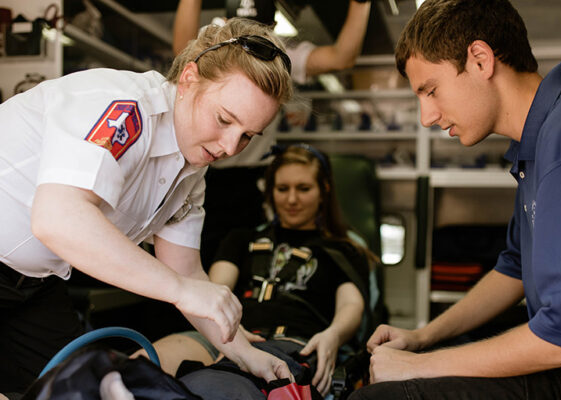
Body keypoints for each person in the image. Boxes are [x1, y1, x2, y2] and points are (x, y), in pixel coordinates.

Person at [0, 18, 295, 396]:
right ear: (189, 79)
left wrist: (243, 353)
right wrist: (178, 290)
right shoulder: (125, 109)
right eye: (224, 120)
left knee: (83, 389)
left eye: (247, 136)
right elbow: (58, 217)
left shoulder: (189, 174)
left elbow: (186, 271)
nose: (229, 147)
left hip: (33, 285)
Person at [349, 0, 561, 399]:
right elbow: (514, 268)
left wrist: (419, 367)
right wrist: (421, 337)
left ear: (480, 60)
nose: (426, 117)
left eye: (430, 90)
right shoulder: (535, 144)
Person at [133, 144, 373, 397]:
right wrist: (227, 328)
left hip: (290, 342)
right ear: (270, 192)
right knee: (139, 369)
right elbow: (216, 287)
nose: (292, 199)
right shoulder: (241, 239)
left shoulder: (344, 250)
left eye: (303, 189)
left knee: (216, 388)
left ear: (323, 191)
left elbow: (351, 306)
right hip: (227, 334)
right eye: (283, 189)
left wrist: (332, 336)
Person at [172, 0, 372, 267]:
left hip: (250, 179)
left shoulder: (278, 56)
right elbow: (182, 52)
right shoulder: (216, 49)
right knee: (192, 253)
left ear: (273, 30)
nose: (252, 45)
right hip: (204, 170)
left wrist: (361, 4)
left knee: (245, 259)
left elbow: (341, 57)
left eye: (261, 33)